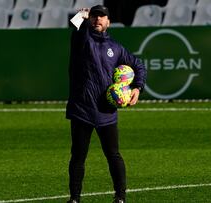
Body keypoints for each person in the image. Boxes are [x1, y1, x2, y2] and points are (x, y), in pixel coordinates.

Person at [66, 5, 147, 203]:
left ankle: (120, 197)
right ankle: (74, 199)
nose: (97, 19)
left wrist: (137, 88)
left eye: (102, 16)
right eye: (94, 16)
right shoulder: (81, 39)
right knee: (78, 157)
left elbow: (138, 65)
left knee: (113, 155)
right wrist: (81, 15)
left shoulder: (116, 47)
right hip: (82, 109)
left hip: (106, 110)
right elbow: (73, 25)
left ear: (108, 21)